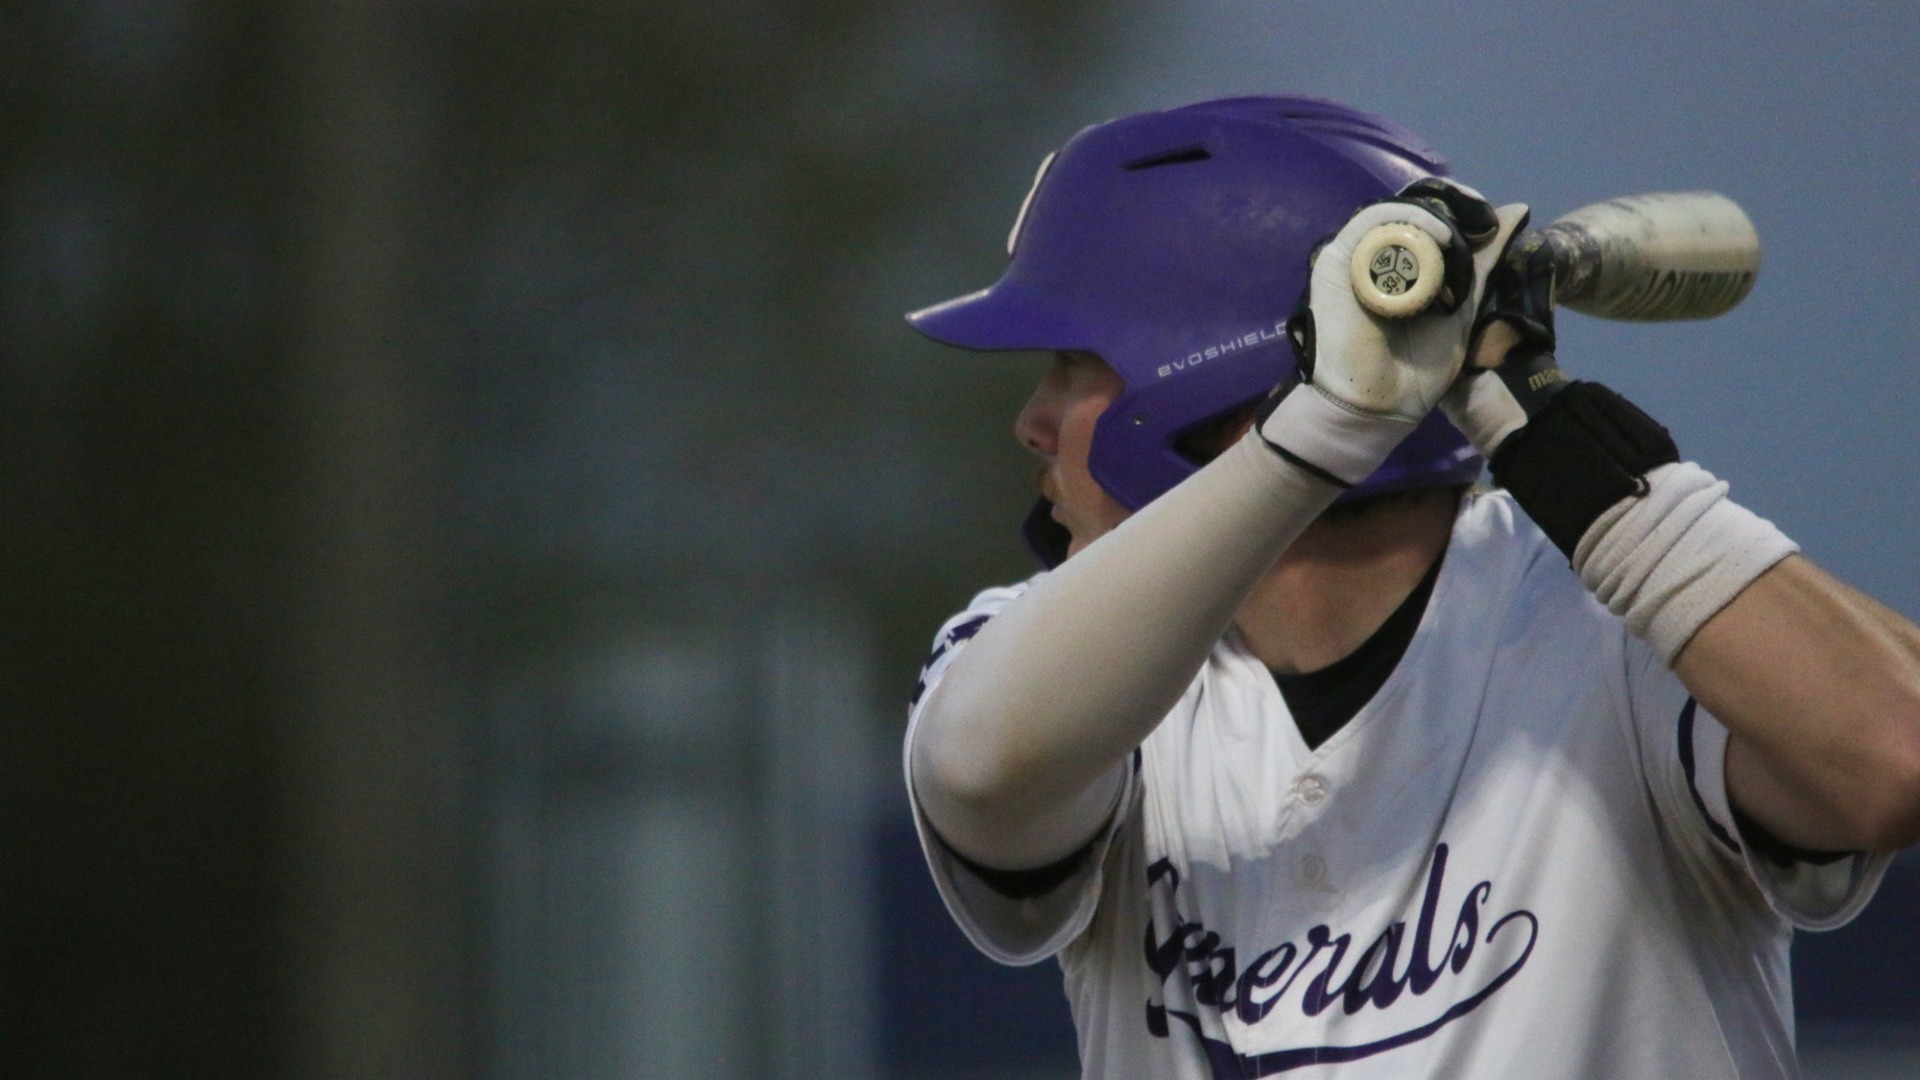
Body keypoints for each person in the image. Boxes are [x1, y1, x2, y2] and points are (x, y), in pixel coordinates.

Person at [900, 96, 1920, 1079]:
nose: (1034, 421)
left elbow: (1895, 758)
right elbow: (982, 771)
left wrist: (1548, 425)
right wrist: (1320, 432)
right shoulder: (1041, 658)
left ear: (1202, 387)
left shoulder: (1624, 628)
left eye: (1075, 364)